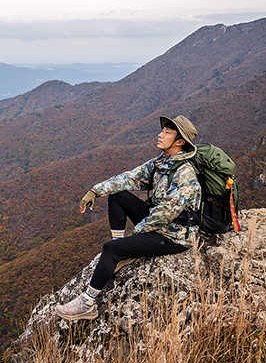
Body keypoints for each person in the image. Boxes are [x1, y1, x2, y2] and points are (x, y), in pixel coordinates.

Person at [55, 115, 202, 321]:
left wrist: (135, 236)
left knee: (110, 249)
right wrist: (95, 191)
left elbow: (165, 215)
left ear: (180, 142)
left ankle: (87, 304)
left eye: (167, 132)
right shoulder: (162, 162)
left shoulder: (184, 174)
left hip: (174, 236)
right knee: (118, 195)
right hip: (159, 223)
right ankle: (123, 251)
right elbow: (130, 178)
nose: (160, 134)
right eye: (163, 130)